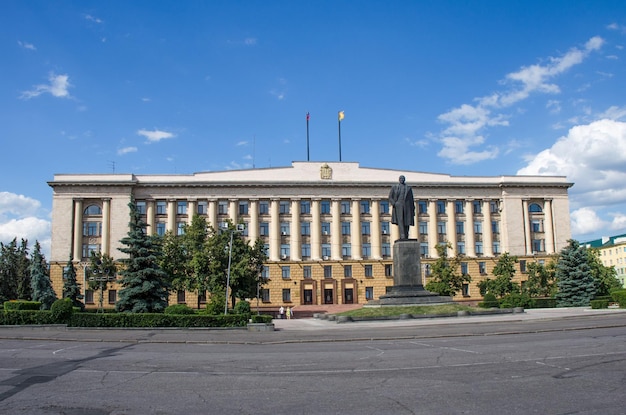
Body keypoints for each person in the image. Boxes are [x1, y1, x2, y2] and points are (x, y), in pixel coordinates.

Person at [388, 175, 415, 240]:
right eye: (400, 178)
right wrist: (394, 203)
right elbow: (390, 197)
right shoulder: (395, 187)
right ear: (399, 180)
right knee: (400, 221)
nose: (402, 179)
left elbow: (411, 199)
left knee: (407, 221)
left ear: (404, 180)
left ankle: (406, 235)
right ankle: (402, 235)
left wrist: (413, 209)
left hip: (407, 206)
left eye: (403, 178)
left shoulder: (408, 188)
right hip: (398, 206)